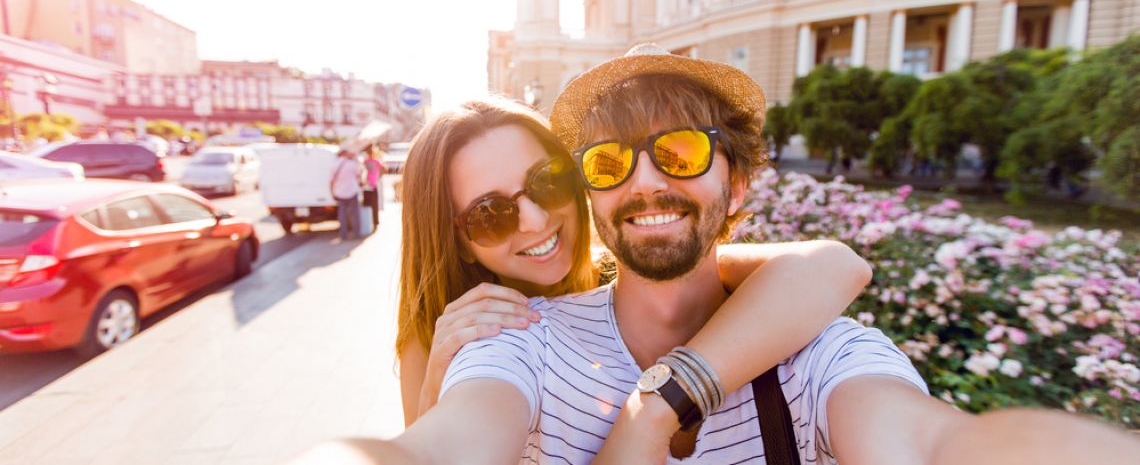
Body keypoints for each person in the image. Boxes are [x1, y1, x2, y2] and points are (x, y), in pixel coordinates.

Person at [299, 46, 1140, 464]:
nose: (642, 181)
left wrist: (654, 410)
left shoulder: (808, 343)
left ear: (740, 187)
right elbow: (447, 439)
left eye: (681, 153)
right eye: (606, 160)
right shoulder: (505, 337)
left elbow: (927, 440)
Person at [394, 96, 870, 426]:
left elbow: (838, 266)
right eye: (490, 214)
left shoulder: (624, 273)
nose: (535, 220)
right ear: (454, 240)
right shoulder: (437, 333)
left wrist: (661, 409)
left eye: (548, 181)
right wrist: (438, 374)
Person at [329, 148, 362, 241]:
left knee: (342, 215)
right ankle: (357, 233)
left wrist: (332, 193)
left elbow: (331, 181)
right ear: (344, 154)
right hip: (352, 191)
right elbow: (359, 176)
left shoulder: (334, 165)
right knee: (355, 214)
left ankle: (343, 234)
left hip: (339, 193)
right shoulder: (352, 164)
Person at [361, 146, 384, 231]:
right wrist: (378, 177)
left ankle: (372, 223)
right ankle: (372, 223)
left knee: (370, 205)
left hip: (369, 186)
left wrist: (377, 177)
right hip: (370, 186)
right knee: (372, 206)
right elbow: (384, 169)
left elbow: (383, 169)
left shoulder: (369, 161)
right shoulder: (372, 161)